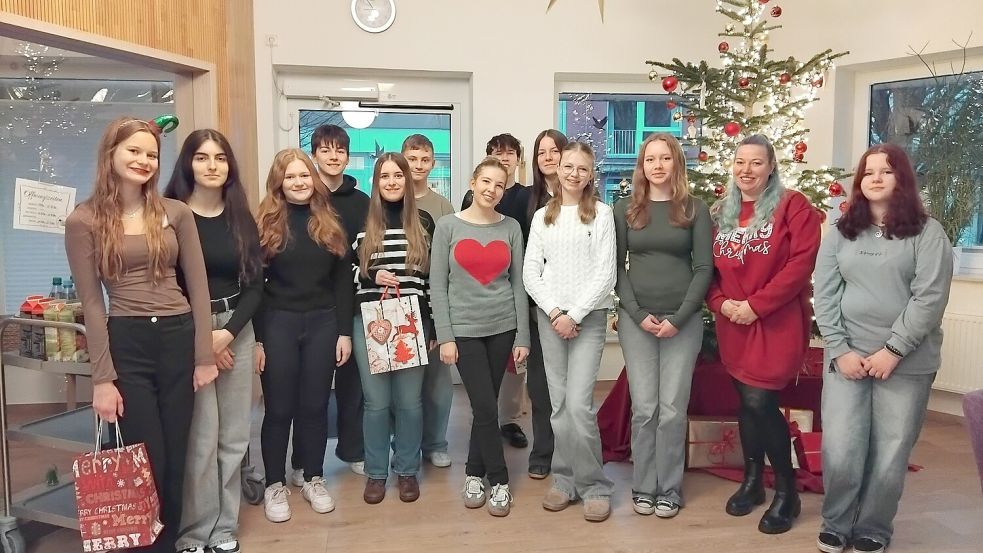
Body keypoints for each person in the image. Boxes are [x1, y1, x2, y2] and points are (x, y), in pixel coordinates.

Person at [65, 116, 218, 553]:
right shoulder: (83, 220)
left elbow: (199, 287)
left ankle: (168, 544)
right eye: (133, 151)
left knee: (176, 457)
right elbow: (92, 304)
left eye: (151, 154)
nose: (144, 160)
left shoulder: (176, 213)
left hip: (177, 334)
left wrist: (204, 356)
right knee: (146, 457)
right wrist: (102, 379)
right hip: (127, 341)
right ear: (110, 153)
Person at [813, 144, 953, 553]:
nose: (875, 178)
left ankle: (874, 527)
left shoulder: (928, 233)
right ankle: (836, 522)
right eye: (868, 171)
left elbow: (929, 298)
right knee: (841, 446)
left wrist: (893, 350)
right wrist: (839, 349)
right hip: (847, 358)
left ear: (902, 179)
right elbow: (825, 294)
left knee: (891, 451)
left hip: (906, 361)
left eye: (886, 171)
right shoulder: (841, 232)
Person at [706, 134, 821, 534]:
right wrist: (721, 304)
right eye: (740, 161)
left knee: (760, 400)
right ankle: (753, 481)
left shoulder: (794, 206)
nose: (747, 170)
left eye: (756, 162)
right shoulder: (720, 211)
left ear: (771, 166)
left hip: (775, 323)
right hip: (733, 322)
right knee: (747, 401)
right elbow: (706, 268)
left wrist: (755, 306)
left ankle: (786, 491)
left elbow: (800, 265)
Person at [165, 130, 262, 553]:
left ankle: (224, 527)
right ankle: (193, 532)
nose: (212, 165)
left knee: (234, 436)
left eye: (220, 157)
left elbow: (255, 285)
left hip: (236, 328)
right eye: (202, 157)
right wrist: (205, 338)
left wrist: (228, 333)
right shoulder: (170, 214)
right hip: (189, 329)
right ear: (188, 163)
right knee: (202, 438)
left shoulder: (240, 216)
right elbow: (167, 284)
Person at [613, 133, 712, 518]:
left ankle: (669, 488)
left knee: (671, 408)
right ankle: (644, 485)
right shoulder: (625, 209)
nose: (657, 165)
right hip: (636, 320)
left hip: (682, 323)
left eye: (665, 158)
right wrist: (637, 313)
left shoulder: (694, 209)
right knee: (645, 408)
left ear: (676, 163)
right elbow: (616, 269)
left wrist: (679, 318)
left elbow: (703, 268)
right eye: (650, 159)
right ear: (642, 165)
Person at [254, 148, 354, 522]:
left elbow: (342, 282)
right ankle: (274, 484)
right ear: (279, 182)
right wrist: (259, 340)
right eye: (290, 176)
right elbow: (254, 287)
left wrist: (344, 332)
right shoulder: (264, 224)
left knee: (314, 407)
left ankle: (312, 476)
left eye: (304, 175)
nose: (299, 182)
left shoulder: (329, 222)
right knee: (279, 409)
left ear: (314, 179)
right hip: (278, 323)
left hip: (323, 323)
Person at [429, 157, 530, 517]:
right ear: (473, 183)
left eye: (499, 185)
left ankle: (473, 473)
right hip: (464, 331)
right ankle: (499, 480)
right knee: (485, 407)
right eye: (486, 181)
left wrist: (522, 337)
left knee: (485, 406)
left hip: (503, 327)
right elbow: (437, 285)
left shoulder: (511, 228)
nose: (492, 189)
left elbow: (518, 284)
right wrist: (446, 335)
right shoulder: (448, 226)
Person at [523, 141, 617, 522]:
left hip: (588, 319)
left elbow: (606, 272)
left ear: (591, 174)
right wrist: (555, 312)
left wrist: (574, 314)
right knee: (559, 406)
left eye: (582, 168)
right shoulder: (542, 216)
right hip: (551, 318)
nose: (574, 174)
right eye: (568, 166)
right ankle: (564, 480)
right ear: (557, 169)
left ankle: (595, 486)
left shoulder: (602, 214)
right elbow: (531, 272)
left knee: (579, 406)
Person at [284, 124, 367, 483]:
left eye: (340, 150)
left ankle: (353, 450)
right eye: (325, 150)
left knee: (353, 386)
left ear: (347, 157)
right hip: (310, 308)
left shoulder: (363, 202)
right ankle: (303, 459)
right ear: (314, 155)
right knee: (308, 392)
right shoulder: (304, 197)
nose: (333, 156)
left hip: (353, 304)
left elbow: (367, 251)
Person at [352, 153, 436, 504]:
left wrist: (433, 326)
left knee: (409, 402)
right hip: (369, 320)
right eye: (384, 176)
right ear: (376, 182)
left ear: (407, 180)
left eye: (397, 176)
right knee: (375, 403)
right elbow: (344, 272)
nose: (391, 182)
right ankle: (376, 473)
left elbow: (432, 279)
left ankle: (406, 470)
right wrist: (370, 275)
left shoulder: (424, 223)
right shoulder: (360, 219)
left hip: (412, 322)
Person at [401, 134, 454, 469]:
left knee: (437, 382)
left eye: (424, 160)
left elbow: (448, 261)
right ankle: (404, 443)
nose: (418, 166)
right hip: (397, 304)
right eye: (412, 159)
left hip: (432, 302)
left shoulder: (443, 207)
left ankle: (435, 443)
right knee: (404, 384)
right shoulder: (389, 198)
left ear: (433, 163)